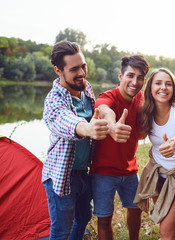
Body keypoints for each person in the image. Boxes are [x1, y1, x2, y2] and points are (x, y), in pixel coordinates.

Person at [42, 40, 109, 240]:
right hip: (62, 175)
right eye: (74, 69)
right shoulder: (53, 100)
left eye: (83, 66)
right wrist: (88, 128)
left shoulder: (86, 89)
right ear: (58, 70)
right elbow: (66, 121)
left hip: (83, 172)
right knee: (62, 229)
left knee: (84, 217)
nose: (82, 73)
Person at [89, 54, 150, 240]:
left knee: (136, 210)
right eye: (130, 75)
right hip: (104, 172)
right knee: (104, 219)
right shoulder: (107, 97)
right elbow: (104, 110)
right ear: (120, 76)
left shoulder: (142, 99)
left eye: (140, 78)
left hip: (131, 170)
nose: (135, 81)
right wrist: (113, 126)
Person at [134, 68, 175, 239]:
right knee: (165, 223)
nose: (163, 88)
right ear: (150, 88)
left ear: (174, 88)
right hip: (156, 175)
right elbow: (138, 135)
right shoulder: (146, 112)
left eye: (168, 84)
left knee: (166, 230)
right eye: (158, 83)